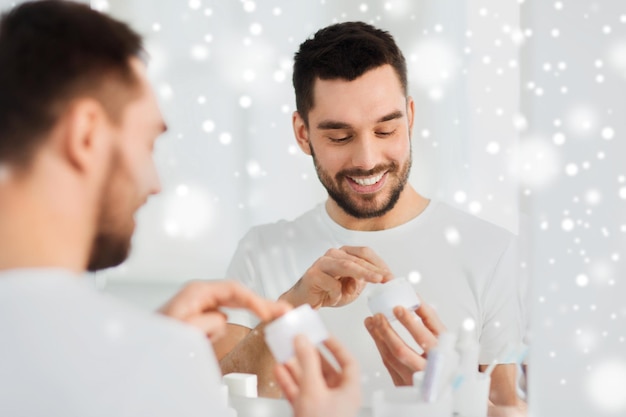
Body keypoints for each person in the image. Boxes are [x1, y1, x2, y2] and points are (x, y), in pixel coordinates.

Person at [0, 2, 361, 416]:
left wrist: (147, 345)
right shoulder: (155, 367)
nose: (154, 183)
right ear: (86, 136)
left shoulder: (140, 360)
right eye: (147, 143)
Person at [215, 20, 526, 410]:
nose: (367, 160)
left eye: (385, 131)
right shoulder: (262, 252)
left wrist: (449, 397)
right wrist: (291, 307)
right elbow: (212, 401)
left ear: (410, 117)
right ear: (302, 133)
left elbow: (514, 407)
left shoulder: (491, 253)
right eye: (340, 137)